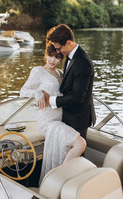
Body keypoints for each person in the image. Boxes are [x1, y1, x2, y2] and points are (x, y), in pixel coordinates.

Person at [20, 43, 86, 183]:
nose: (52, 60)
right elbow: (23, 91)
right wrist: (37, 93)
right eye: (50, 55)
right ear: (45, 54)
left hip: (60, 120)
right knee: (80, 144)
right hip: (48, 122)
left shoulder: (61, 73)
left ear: (61, 59)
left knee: (69, 149)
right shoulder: (38, 71)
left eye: (57, 57)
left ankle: (61, 181)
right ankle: (60, 178)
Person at [42, 24, 96, 141]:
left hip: (78, 118)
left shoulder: (82, 62)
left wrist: (50, 100)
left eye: (59, 48)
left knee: (77, 155)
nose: (58, 51)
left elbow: (77, 98)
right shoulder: (71, 57)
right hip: (68, 115)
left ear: (69, 43)